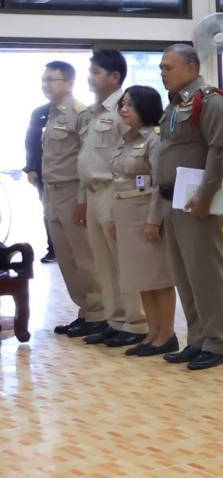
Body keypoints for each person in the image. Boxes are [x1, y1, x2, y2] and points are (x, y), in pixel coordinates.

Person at [156, 44, 223, 372]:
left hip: (196, 201)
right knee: (184, 275)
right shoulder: (175, 104)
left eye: (168, 67)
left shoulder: (210, 100)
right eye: (161, 68)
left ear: (191, 68)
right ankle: (197, 339)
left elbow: (217, 151)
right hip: (171, 200)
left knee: (205, 274)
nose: (163, 73)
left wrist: (205, 195)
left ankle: (216, 342)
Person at [77, 50, 147, 347]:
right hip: (93, 193)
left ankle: (137, 321)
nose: (90, 77)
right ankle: (115, 319)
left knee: (123, 260)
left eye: (95, 72)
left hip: (113, 191)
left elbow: (133, 154)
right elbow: (87, 157)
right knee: (103, 262)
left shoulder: (124, 109)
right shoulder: (94, 112)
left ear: (114, 76)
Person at [109, 85, 179, 358]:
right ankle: (152, 332)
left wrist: (153, 220)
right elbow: (119, 181)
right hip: (125, 212)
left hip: (146, 213)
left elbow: (160, 184)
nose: (124, 109)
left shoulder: (154, 139)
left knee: (158, 277)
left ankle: (167, 334)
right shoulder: (126, 138)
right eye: (122, 104)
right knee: (141, 278)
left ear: (146, 108)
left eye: (131, 105)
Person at [39, 61, 107, 339]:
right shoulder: (51, 115)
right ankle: (85, 311)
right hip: (52, 193)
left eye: (51, 80)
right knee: (65, 258)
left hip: (72, 191)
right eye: (43, 80)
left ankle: (99, 313)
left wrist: (82, 199)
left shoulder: (81, 113)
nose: (46, 85)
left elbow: (85, 158)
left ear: (68, 83)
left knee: (84, 256)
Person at [25, 100, 57, 263]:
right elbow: (31, 142)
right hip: (43, 172)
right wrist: (30, 168)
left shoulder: (78, 111)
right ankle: (53, 249)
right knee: (48, 212)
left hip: (70, 174)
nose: (48, 85)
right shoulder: (39, 112)